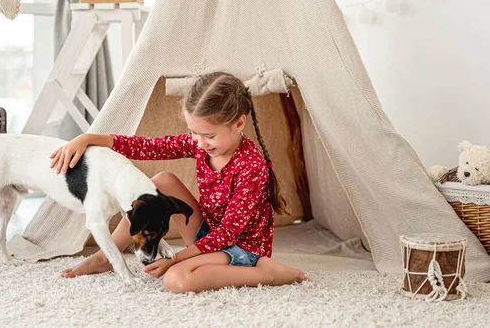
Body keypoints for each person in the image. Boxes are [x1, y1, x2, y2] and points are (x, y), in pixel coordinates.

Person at [50, 71, 307, 293]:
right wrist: (89, 138)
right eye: (194, 132)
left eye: (208, 135)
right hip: (210, 233)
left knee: (176, 279)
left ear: (239, 122)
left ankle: (267, 273)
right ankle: (106, 256)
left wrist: (175, 258)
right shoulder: (200, 145)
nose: (199, 142)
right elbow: (147, 147)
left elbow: (228, 233)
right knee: (162, 181)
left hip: (241, 247)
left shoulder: (251, 167)